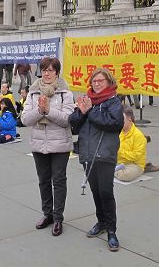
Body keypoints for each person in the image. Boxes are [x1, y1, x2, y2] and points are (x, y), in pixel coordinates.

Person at [68, 68, 124, 251]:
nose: (97, 84)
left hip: (105, 154)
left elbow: (113, 124)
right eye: (94, 81)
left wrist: (90, 111)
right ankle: (101, 222)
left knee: (106, 192)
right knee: (96, 191)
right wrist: (81, 112)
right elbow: (74, 125)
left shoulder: (114, 101)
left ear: (108, 82)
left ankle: (112, 231)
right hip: (88, 153)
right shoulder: (87, 100)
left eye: (100, 81)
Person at [21, 57, 75, 237]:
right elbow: (25, 119)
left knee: (58, 180)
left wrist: (48, 111)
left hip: (60, 143)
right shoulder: (33, 92)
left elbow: (67, 119)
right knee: (43, 180)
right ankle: (47, 214)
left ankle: (58, 217)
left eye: (51, 70)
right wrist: (39, 111)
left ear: (57, 73)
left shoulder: (65, 93)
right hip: (38, 143)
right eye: (44, 70)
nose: (47, 73)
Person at [115, 106, 147, 182]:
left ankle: (112, 171)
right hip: (119, 162)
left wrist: (119, 151)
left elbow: (136, 156)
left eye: (122, 120)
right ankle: (113, 171)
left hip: (134, 164)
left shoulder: (138, 135)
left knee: (125, 175)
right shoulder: (119, 132)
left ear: (129, 120)